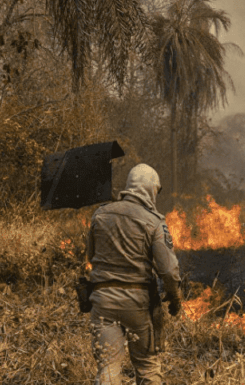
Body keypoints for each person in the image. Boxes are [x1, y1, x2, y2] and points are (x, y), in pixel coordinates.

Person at [86, 163, 182, 385]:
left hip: (102, 301)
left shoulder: (100, 214)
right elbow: (168, 270)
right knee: (147, 366)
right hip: (137, 304)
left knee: (108, 367)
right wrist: (174, 298)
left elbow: (91, 255)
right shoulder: (154, 221)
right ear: (151, 189)